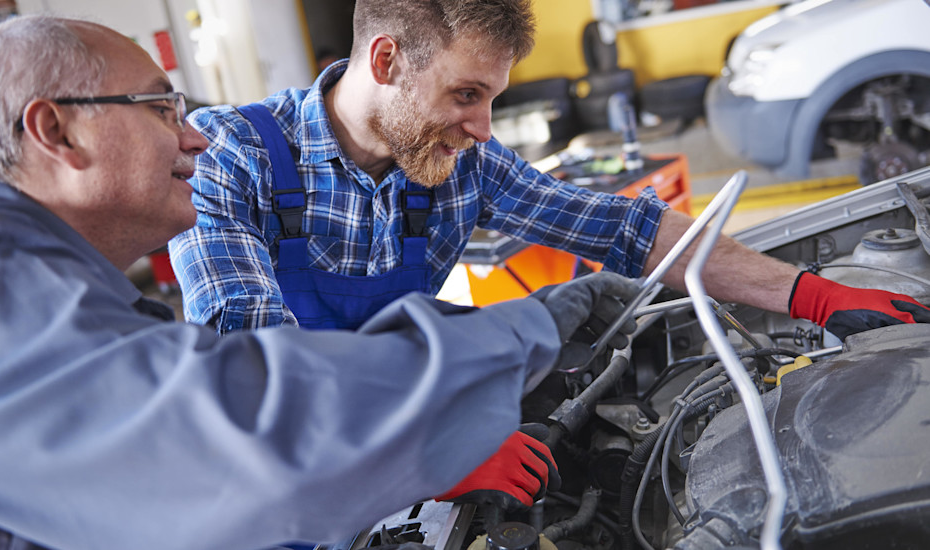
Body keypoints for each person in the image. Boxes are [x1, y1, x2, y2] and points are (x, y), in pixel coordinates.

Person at [0, 14, 641, 550]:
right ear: (57, 132)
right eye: (162, 108)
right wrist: (516, 340)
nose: (193, 138)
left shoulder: (58, 294)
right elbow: (250, 431)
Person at [169, 0, 930, 341]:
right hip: (264, 489)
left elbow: (624, 229)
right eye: (466, 95)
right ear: (387, 60)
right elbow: (249, 359)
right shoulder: (223, 157)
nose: (482, 128)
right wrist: (414, 453)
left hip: (381, 432)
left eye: (492, 99)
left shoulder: (461, 163)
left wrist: (811, 293)